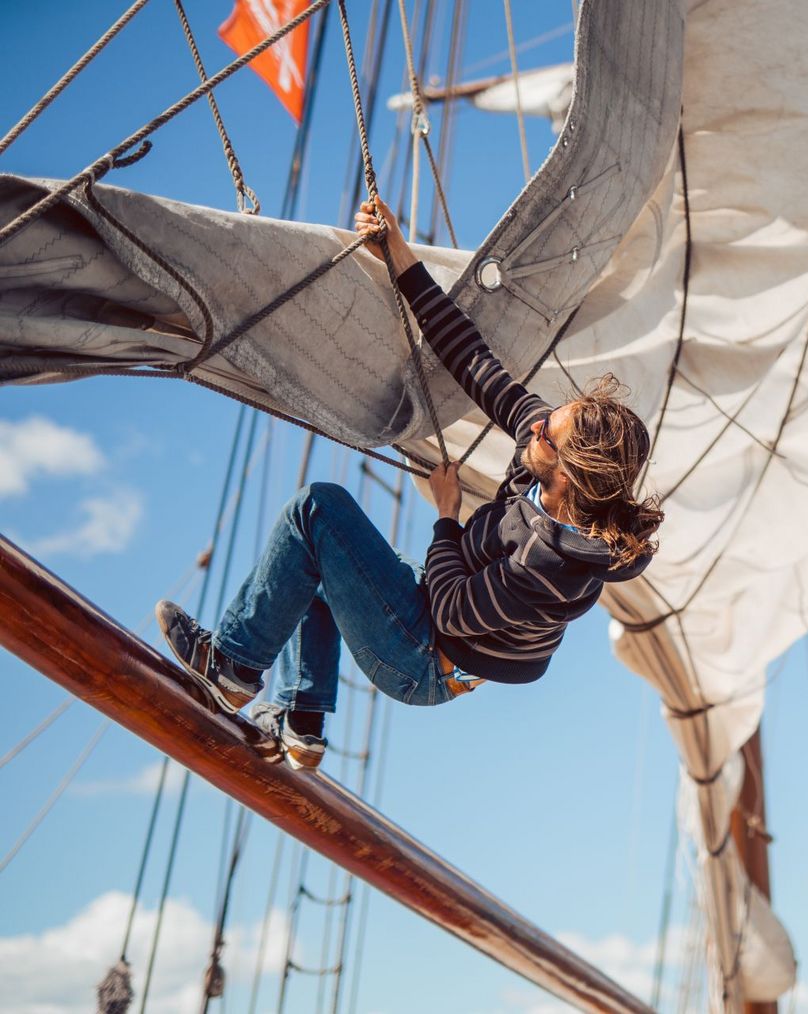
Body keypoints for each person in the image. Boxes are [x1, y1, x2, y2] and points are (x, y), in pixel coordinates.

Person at [156, 196, 663, 769]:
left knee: (317, 513)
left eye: (548, 432)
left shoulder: (547, 565)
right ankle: (302, 720)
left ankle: (232, 666)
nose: (536, 424)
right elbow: (471, 359)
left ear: (569, 474)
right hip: (434, 619)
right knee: (325, 563)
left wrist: (447, 517)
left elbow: (448, 610)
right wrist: (396, 252)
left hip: (425, 658)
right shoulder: (542, 454)